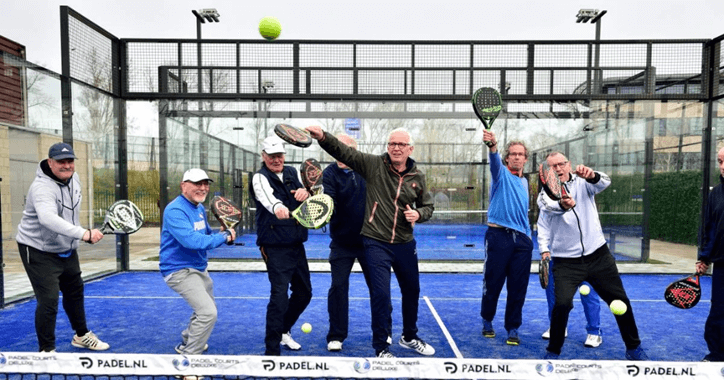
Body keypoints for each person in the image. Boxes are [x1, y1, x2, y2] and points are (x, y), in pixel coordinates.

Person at [306, 125, 435, 358]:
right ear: (387, 147)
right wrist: (323, 137)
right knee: (379, 293)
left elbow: (428, 206)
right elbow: (343, 152)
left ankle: (409, 337)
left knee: (412, 290)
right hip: (375, 241)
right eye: (392, 144)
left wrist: (419, 215)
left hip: (405, 242)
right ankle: (381, 347)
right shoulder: (373, 165)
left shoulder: (418, 177)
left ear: (410, 149)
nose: (396, 148)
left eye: (401, 144)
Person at [537, 151, 648, 360]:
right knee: (561, 305)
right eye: (553, 167)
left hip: (599, 256)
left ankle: (634, 348)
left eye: (562, 164)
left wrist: (592, 175)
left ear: (569, 165)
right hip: (565, 263)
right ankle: (553, 352)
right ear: (547, 172)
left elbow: (604, 182)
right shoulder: (544, 195)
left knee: (620, 301)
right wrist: (563, 204)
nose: (559, 169)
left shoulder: (583, 183)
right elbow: (550, 207)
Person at [16, 142, 109, 353]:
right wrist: (83, 233)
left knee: (75, 291)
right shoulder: (41, 188)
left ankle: (82, 335)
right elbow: (48, 218)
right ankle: (46, 351)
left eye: (70, 161)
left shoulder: (74, 179)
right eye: (61, 162)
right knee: (48, 299)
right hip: (37, 249)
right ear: (50, 162)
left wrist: (77, 236)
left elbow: (69, 214)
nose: (66, 165)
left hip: (66, 247)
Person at [323, 133, 392, 352]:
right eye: (337, 149)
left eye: (346, 149)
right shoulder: (329, 173)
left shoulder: (368, 168)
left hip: (371, 241)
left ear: (355, 151)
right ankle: (336, 335)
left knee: (380, 289)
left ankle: (384, 332)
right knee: (338, 287)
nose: (341, 154)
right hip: (342, 242)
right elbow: (329, 200)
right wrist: (324, 206)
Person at [159, 168, 236, 355]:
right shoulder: (175, 210)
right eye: (197, 184)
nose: (202, 188)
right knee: (208, 313)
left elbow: (206, 233)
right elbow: (192, 241)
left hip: (199, 268)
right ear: (183, 186)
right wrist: (224, 237)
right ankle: (188, 360)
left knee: (205, 309)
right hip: (179, 270)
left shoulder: (198, 207)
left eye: (205, 184)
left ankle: (189, 338)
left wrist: (222, 231)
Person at [252, 135, 313, 356]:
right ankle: (272, 349)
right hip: (273, 245)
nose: (276, 160)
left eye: (279, 156)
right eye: (271, 156)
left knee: (304, 293)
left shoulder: (293, 172)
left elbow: (307, 194)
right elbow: (267, 199)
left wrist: (306, 193)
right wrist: (278, 206)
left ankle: (283, 330)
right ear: (264, 156)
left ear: (284, 155)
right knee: (279, 295)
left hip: (296, 242)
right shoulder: (259, 178)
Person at [480, 130, 533, 346]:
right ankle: (487, 320)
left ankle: (513, 327)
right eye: (513, 154)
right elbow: (493, 160)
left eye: (521, 154)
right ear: (507, 157)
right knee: (493, 283)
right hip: (498, 236)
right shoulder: (500, 174)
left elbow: (524, 213)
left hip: (522, 241)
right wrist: (492, 146)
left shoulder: (525, 183)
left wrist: (529, 239)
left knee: (518, 287)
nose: (517, 157)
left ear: (525, 159)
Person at [697, 146, 724, 362]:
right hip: (722, 265)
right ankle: (717, 355)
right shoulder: (716, 193)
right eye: (720, 161)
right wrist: (704, 257)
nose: (722, 167)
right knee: (718, 313)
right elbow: (711, 228)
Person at [541, 268, 603, 348]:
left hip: (585, 259)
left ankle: (594, 333)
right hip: (559, 258)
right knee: (554, 290)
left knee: (588, 291)